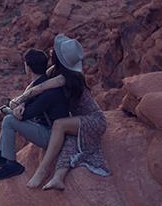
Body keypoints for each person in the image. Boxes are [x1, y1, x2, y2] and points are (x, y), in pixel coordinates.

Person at [11, 34, 109, 190]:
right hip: (78, 120)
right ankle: (58, 178)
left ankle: (42, 171)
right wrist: (22, 103)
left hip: (93, 120)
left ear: (58, 57)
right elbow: (33, 87)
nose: (50, 51)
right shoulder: (55, 71)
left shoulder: (65, 78)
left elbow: (39, 88)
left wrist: (18, 101)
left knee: (59, 125)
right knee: (68, 144)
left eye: (54, 51)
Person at [0, 48, 70, 180]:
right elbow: (27, 105)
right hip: (48, 128)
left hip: (52, 137)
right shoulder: (42, 82)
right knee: (9, 118)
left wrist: (5, 110)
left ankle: (11, 164)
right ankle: (2, 155)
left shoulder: (47, 91)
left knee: (9, 120)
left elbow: (24, 115)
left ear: (28, 67)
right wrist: (17, 106)